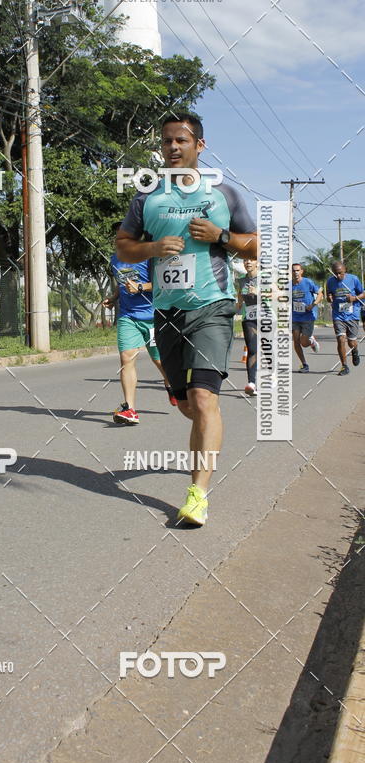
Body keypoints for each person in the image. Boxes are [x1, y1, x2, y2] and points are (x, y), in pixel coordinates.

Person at [117, 113, 257, 526]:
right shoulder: (147, 199)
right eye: (166, 142)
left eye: (181, 140)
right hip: (167, 312)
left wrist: (222, 238)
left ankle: (197, 494)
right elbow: (124, 247)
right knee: (185, 405)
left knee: (203, 399)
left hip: (213, 307)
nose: (173, 148)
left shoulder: (223, 195)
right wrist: (153, 247)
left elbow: (256, 247)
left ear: (200, 145)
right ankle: (203, 429)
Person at [104, 232, 176, 425]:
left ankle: (170, 383)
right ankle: (130, 409)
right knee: (126, 359)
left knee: (159, 360)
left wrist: (141, 287)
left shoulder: (150, 257)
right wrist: (114, 297)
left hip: (153, 316)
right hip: (128, 317)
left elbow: (164, 282)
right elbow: (122, 284)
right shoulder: (115, 259)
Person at [326, 261, 365, 375]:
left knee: (351, 341)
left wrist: (353, 298)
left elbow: (363, 294)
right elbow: (329, 295)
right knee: (341, 339)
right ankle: (344, 366)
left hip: (352, 314)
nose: (338, 276)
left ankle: (355, 350)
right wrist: (329, 298)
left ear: (345, 271)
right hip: (338, 314)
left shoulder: (354, 279)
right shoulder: (330, 281)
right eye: (335, 274)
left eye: (340, 273)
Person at [291, 263, 322, 372]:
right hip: (294, 317)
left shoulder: (308, 282)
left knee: (303, 342)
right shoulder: (288, 285)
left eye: (297, 270)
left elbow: (320, 293)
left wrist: (313, 304)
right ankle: (304, 364)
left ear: (301, 271)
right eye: (294, 271)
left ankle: (311, 342)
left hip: (308, 316)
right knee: (295, 341)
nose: (295, 273)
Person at [236, 258, 258, 395]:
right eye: (245, 260)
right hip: (250, 317)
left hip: (267, 318)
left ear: (258, 263)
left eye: (251, 260)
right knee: (252, 349)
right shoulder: (241, 281)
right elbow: (239, 300)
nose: (248, 262)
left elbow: (278, 295)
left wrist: (259, 292)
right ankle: (251, 383)